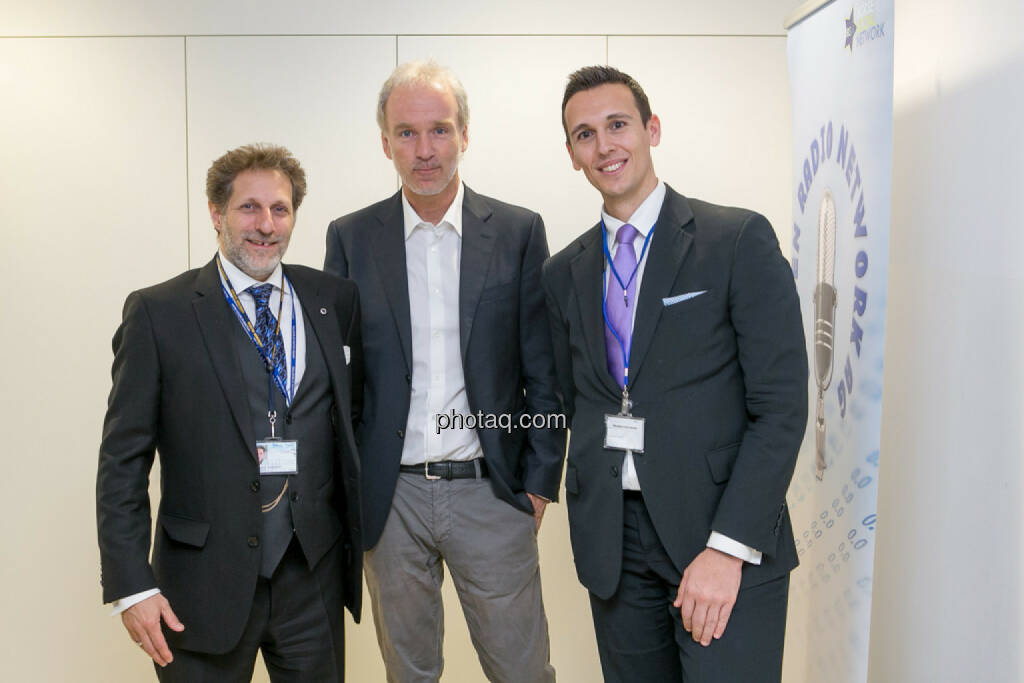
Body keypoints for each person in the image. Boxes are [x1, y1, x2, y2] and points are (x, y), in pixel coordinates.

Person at [543, 65, 808, 682]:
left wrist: (728, 547)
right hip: (615, 540)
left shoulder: (736, 239)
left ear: (651, 129)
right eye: (585, 134)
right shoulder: (565, 271)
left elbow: (782, 407)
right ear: (571, 153)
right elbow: (570, 398)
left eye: (617, 125)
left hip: (718, 531)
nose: (604, 145)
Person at [324, 61, 564, 683]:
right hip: (390, 497)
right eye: (406, 133)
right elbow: (340, 380)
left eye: (439, 130)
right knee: (409, 674)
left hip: (491, 491)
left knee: (523, 672)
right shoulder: (350, 239)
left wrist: (537, 485)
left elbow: (545, 368)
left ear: (464, 134)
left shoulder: (516, 232)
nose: (424, 150)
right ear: (384, 142)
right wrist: (350, 488)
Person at [96, 143, 363, 682]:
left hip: (312, 579)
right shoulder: (159, 313)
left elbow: (348, 422)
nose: (266, 225)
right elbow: (122, 460)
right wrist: (132, 585)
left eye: (281, 210)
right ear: (217, 214)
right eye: (249, 208)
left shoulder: (333, 299)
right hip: (200, 586)